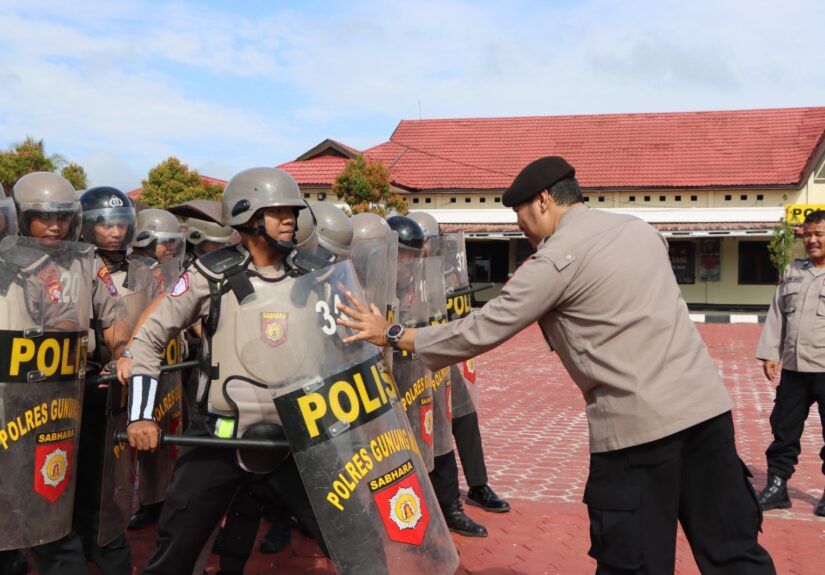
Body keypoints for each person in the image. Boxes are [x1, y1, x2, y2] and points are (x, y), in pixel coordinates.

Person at [337, 156, 776, 574]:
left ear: (544, 200)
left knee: (635, 562)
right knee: (733, 550)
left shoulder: (554, 260)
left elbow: (481, 329)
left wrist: (394, 335)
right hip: (707, 413)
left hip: (637, 432)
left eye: (520, 214)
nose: (519, 226)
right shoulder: (638, 230)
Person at [120, 167, 327, 575]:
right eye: (277, 210)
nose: (290, 218)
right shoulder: (210, 274)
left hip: (299, 434)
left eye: (292, 210)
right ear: (247, 217)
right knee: (176, 546)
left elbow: (346, 346)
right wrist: (141, 415)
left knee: (353, 534)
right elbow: (148, 338)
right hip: (219, 434)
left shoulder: (316, 274)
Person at [10, 174, 129, 575]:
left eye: (61, 216)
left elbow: (113, 322)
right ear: (20, 218)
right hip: (17, 400)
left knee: (63, 492)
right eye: (42, 216)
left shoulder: (87, 263)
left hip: (75, 393)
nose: (55, 226)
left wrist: (123, 353)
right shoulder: (7, 264)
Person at [409, 211, 510, 519]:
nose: (428, 249)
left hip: (444, 358)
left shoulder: (444, 273)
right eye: (425, 243)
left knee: (465, 416)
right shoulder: (401, 276)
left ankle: (479, 485)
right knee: (431, 428)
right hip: (412, 365)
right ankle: (436, 497)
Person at [755, 209, 825, 516]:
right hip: (795, 370)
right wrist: (771, 352)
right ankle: (777, 486)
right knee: (783, 430)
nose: (811, 240)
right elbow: (777, 313)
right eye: (807, 234)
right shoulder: (793, 270)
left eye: (818, 234)